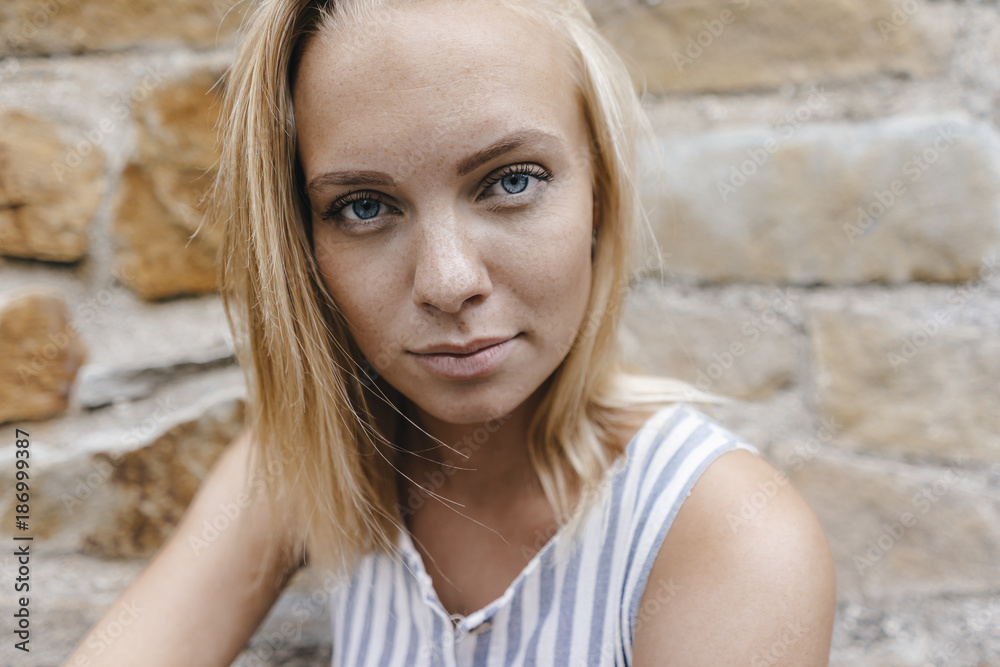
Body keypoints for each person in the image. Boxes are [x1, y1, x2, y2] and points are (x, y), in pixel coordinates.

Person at [66, 0, 836, 665]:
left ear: (599, 188)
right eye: (364, 206)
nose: (446, 280)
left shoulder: (726, 537)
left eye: (510, 181)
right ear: (304, 242)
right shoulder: (317, 460)